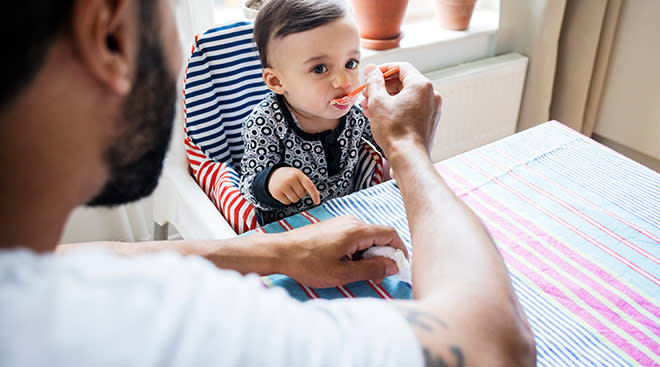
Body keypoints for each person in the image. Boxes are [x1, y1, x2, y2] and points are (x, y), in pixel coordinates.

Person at [0, 0, 536, 366]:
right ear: (109, 33)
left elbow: (83, 258)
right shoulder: (177, 318)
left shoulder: (27, 282)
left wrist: (272, 251)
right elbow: (493, 346)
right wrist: (410, 148)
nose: (344, 78)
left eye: (350, 62)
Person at [239, 0, 385, 224]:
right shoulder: (265, 123)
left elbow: (389, 142)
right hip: (292, 230)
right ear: (277, 81)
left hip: (347, 215)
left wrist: (391, 117)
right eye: (320, 69)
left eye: (351, 63)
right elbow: (248, 185)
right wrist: (271, 181)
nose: (344, 81)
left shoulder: (355, 114)